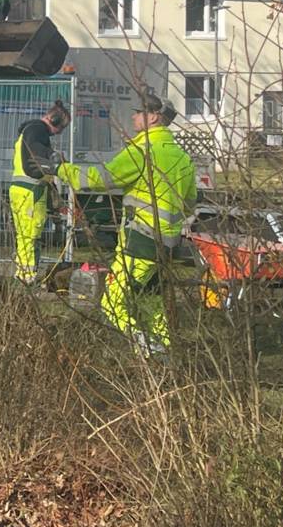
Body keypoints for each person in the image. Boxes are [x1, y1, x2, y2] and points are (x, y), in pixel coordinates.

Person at [56, 92, 197, 353]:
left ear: (153, 117)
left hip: (140, 243)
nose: (133, 116)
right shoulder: (182, 157)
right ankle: (166, 356)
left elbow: (98, 179)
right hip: (166, 245)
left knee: (112, 302)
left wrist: (61, 169)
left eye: (138, 111)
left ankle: (149, 351)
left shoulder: (142, 151)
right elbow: (190, 201)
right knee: (151, 303)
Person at [9, 100, 70, 284]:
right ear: (55, 119)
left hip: (21, 189)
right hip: (31, 190)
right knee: (31, 234)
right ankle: (28, 276)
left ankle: (22, 272)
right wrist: (56, 159)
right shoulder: (38, 131)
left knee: (24, 234)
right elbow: (37, 159)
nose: (60, 132)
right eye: (62, 127)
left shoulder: (29, 131)